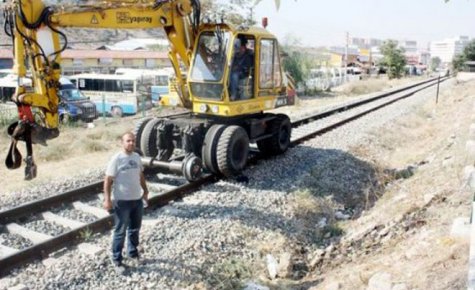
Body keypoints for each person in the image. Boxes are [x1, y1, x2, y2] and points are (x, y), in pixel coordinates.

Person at [103, 131, 149, 271]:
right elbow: (108, 180)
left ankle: (133, 253)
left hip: (136, 200)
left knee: (134, 229)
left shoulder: (136, 157)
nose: (131, 143)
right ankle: (116, 260)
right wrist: (107, 200)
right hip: (122, 202)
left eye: (133, 141)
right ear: (122, 142)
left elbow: (140, 175)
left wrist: (145, 191)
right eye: (128, 141)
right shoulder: (116, 159)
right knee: (120, 231)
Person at [229, 36, 254, 100]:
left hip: (244, 73)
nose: (239, 49)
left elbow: (247, 67)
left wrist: (237, 68)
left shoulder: (248, 56)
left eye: (241, 47)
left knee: (234, 75)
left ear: (244, 47)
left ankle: (233, 94)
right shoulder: (235, 54)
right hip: (234, 70)